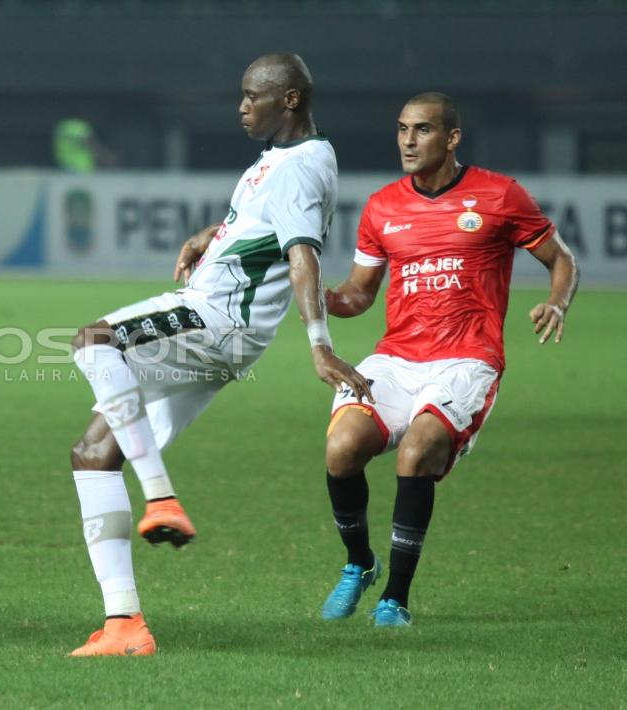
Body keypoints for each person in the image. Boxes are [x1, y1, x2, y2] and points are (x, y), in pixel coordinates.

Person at [67, 53, 372, 656]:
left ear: (288, 100)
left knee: (92, 340)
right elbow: (264, 227)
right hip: (221, 330)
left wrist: (319, 346)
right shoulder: (284, 160)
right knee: (94, 452)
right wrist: (214, 234)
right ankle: (125, 625)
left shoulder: (299, 167)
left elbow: (301, 253)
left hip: (217, 320)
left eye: (252, 95)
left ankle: (161, 497)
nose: (241, 106)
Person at [317, 92, 579, 627]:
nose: (407, 142)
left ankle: (395, 599)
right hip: (396, 357)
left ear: (452, 137)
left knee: (415, 454)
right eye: (401, 130)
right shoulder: (383, 206)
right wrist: (314, 298)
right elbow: (359, 295)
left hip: (466, 359)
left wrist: (557, 301)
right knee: (341, 449)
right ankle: (359, 564)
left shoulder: (499, 195)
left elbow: (562, 259)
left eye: (422, 130)